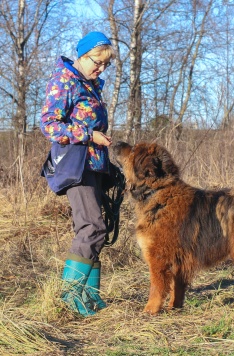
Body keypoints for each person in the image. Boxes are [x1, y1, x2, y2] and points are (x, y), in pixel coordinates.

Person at [40, 31, 115, 317]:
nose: (101, 68)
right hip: (75, 163)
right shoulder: (64, 80)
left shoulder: (91, 84)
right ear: (82, 55)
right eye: (97, 62)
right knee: (91, 227)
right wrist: (89, 135)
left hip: (94, 163)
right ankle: (71, 298)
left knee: (95, 228)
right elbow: (49, 125)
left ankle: (90, 296)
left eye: (106, 64)